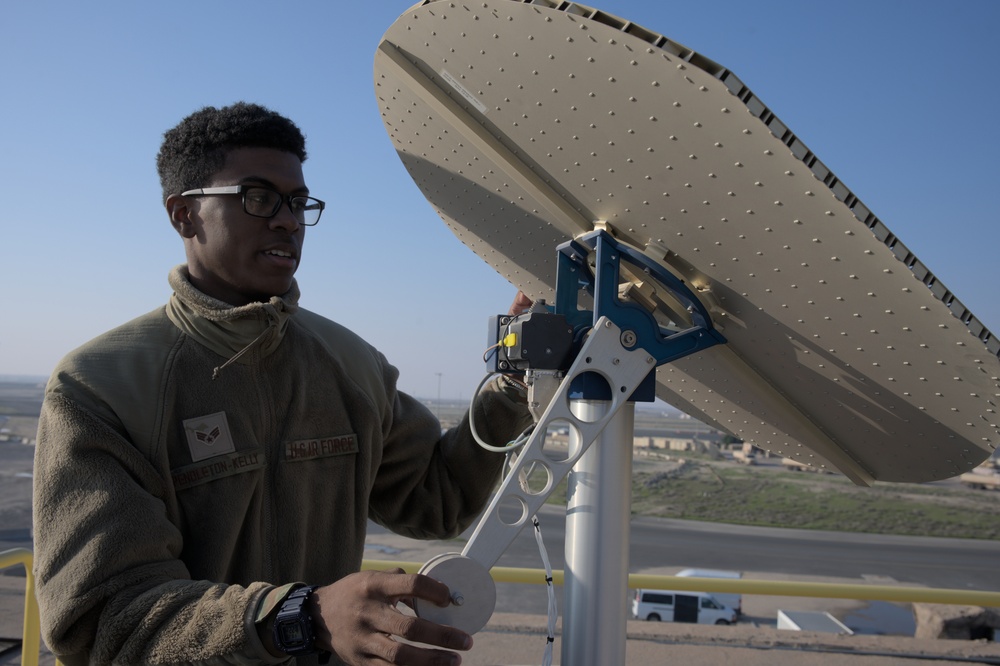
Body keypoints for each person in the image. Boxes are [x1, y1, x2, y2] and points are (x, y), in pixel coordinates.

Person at [32, 102, 534, 666]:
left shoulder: (352, 365)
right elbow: (103, 619)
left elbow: (437, 499)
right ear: (183, 215)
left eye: (298, 203)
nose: (288, 221)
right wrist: (299, 617)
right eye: (258, 197)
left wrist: (512, 381)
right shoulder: (100, 386)